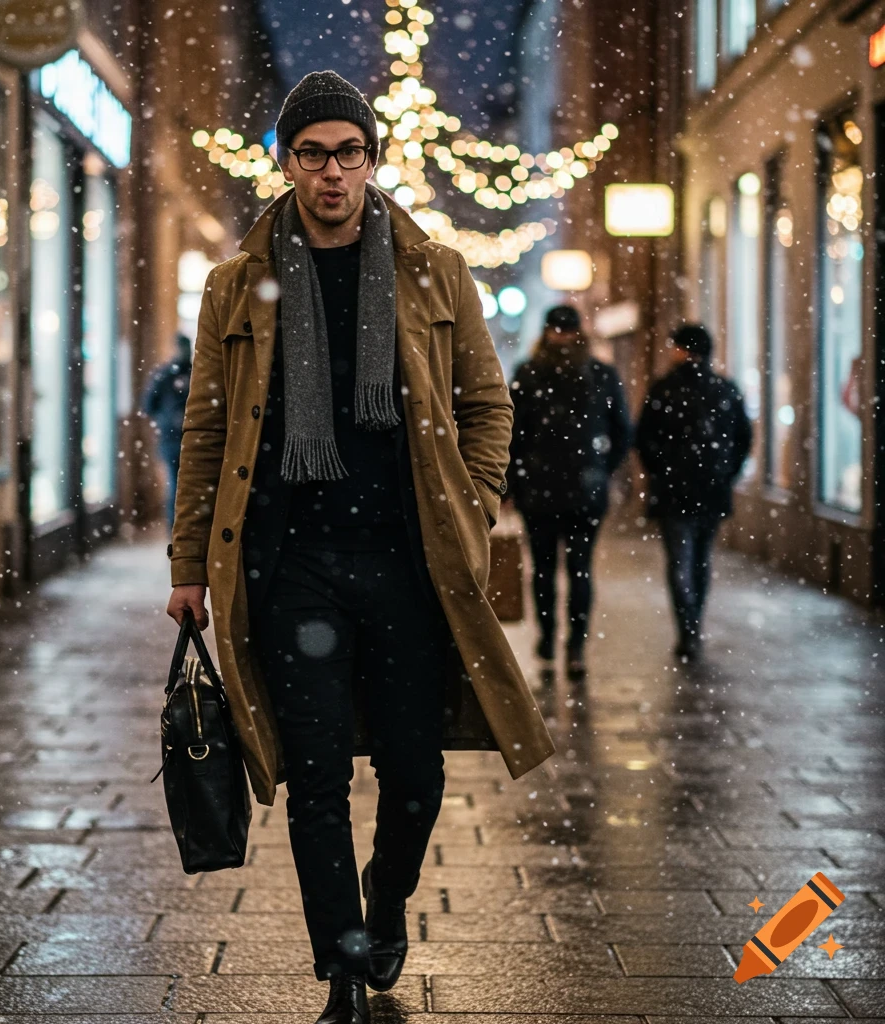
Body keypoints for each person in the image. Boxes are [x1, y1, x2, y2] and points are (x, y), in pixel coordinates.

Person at [165, 70, 554, 1024]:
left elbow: (486, 405)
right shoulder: (235, 286)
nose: (332, 172)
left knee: (416, 772)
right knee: (319, 776)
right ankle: (343, 962)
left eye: (348, 152)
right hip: (292, 566)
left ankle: (385, 911)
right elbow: (208, 432)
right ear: (287, 163)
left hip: (412, 564)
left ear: (372, 160)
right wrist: (186, 566)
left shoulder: (435, 270)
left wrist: (473, 500)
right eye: (312, 153)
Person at [506, 305, 631, 680]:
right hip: (583, 489)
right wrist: (600, 469)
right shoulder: (600, 375)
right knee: (579, 570)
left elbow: (511, 434)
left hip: (539, 489)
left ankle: (548, 640)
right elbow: (623, 432)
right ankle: (574, 647)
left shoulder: (528, 374)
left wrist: (512, 481)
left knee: (544, 570)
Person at [635, 323, 752, 661]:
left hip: (675, 491)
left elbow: (643, 438)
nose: (671, 351)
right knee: (700, 560)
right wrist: (726, 472)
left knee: (679, 561)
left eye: (675, 346)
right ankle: (694, 624)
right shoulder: (724, 389)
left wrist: (661, 470)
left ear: (685, 350)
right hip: (711, 490)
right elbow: (743, 438)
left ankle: (687, 629)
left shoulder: (663, 390)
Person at [141, 332, 193, 528]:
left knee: (181, 485)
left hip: (183, 439)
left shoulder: (168, 375)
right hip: (174, 440)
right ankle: (178, 526)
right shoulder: (166, 376)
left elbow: (148, 406)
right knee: (178, 485)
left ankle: (180, 526)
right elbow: (148, 406)